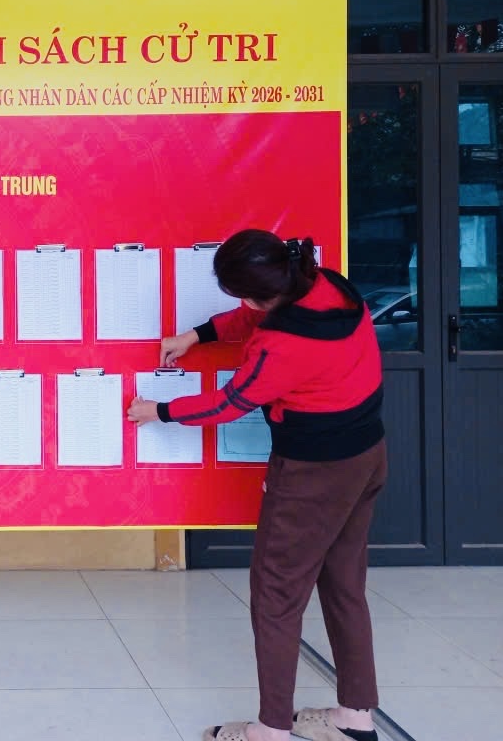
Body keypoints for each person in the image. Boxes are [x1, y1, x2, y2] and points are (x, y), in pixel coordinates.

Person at [127, 230, 386, 741]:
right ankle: (356, 717)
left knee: (275, 595)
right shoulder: (328, 285)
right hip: (367, 455)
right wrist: (199, 335)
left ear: (258, 293)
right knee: (343, 583)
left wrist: (158, 410)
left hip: (315, 473)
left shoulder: (283, 344)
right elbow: (261, 313)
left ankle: (270, 730)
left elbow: (231, 402)